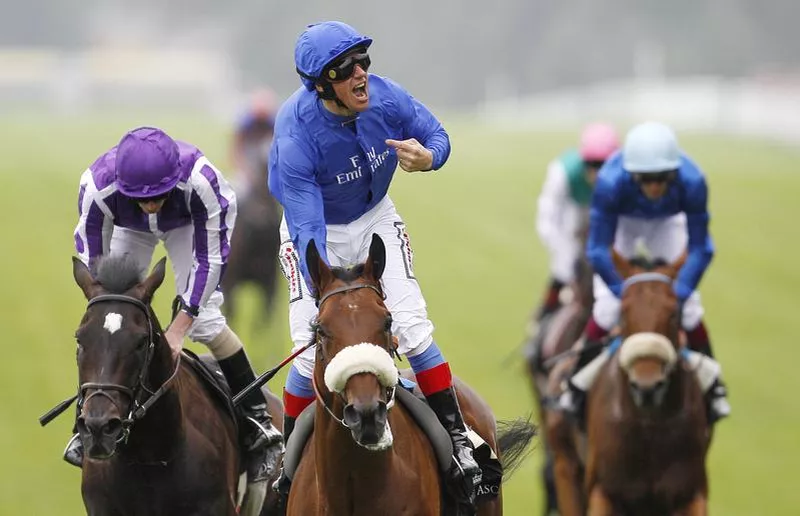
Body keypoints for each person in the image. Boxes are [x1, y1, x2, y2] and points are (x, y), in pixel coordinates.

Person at [267, 21, 482, 505]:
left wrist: (430, 158)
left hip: (375, 219)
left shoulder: (386, 98)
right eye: (346, 70)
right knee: (307, 350)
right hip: (313, 228)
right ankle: (287, 469)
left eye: (364, 61)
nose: (361, 74)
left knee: (412, 326)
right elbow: (307, 231)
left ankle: (460, 443)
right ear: (322, 85)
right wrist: (330, 293)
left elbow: (435, 133)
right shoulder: (296, 135)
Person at [67, 126, 284, 479]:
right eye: (142, 197)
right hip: (128, 226)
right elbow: (93, 259)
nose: (152, 204)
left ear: (175, 179)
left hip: (188, 223)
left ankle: (258, 419)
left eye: (160, 194)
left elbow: (211, 262)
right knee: (111, 323)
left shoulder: (203, 182)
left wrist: (180, 327)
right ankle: (86, 422)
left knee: (207, 321)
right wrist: (109, 304)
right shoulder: (97, 187)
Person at [560, 121, 731, 426]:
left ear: (674, 173)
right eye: (646, 180)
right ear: (632, 175)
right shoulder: (611, 182)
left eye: (662, 178)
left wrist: (676, 295)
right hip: (622, 224)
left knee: (690, 310)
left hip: (668, 223)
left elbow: (701, 248)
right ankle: (576, 383)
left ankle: (714, 386)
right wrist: (623, 292)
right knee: (607, 307)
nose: (654, 187)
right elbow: (598, 249)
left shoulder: (693, 181)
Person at [534, 123, 620, 321]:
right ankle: (542, 321)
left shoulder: (626, 173)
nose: (597, 173)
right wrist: (566, 254)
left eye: (603, 165)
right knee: (564, 266)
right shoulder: (563, 171)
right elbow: (548, 218)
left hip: (608, 213)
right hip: (573, 211)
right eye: (591, 165)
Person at [230, 87, 279, 200]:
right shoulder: (245, 124)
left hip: (268, 166)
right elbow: (236, 150)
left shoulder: (275, 123)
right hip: (250, 165)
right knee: (239, 189)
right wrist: (245, 171)